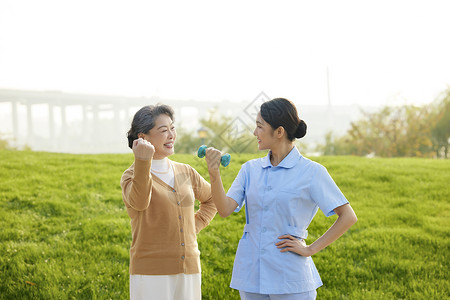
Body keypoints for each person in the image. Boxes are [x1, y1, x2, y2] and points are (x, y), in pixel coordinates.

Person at [204, 98, 357, 300]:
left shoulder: (311, 172)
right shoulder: (250, 169)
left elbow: (348, 216)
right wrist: (214, 173)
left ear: (279, 132)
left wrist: (311, 249)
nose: (254, 133)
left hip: (290, 277)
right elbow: (224, 210)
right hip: (252, 274)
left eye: (260, 126)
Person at [120, 104, 217, 300]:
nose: (171, 135)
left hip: (189, 268)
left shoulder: (185, 171)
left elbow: (212, 199)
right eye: (163, 130)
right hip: (150, 273)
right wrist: (142, 162)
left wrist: (193, 227)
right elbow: (139, 203)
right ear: (143, 137)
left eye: (172, 128)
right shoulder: (130, 175)